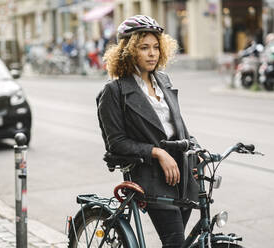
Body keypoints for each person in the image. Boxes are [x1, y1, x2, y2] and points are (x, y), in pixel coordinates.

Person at [97, 15, 201, 248]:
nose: (152, 53)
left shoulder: (163, 80)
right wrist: (157, 152)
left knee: (178, 241)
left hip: (181, 171)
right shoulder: (115, 91)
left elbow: (178, 126)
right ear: (129, 51)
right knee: (175, 241)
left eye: (156, 47)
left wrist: (196, 147)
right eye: (144, 48)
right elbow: (117, 143)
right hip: (149, 173)